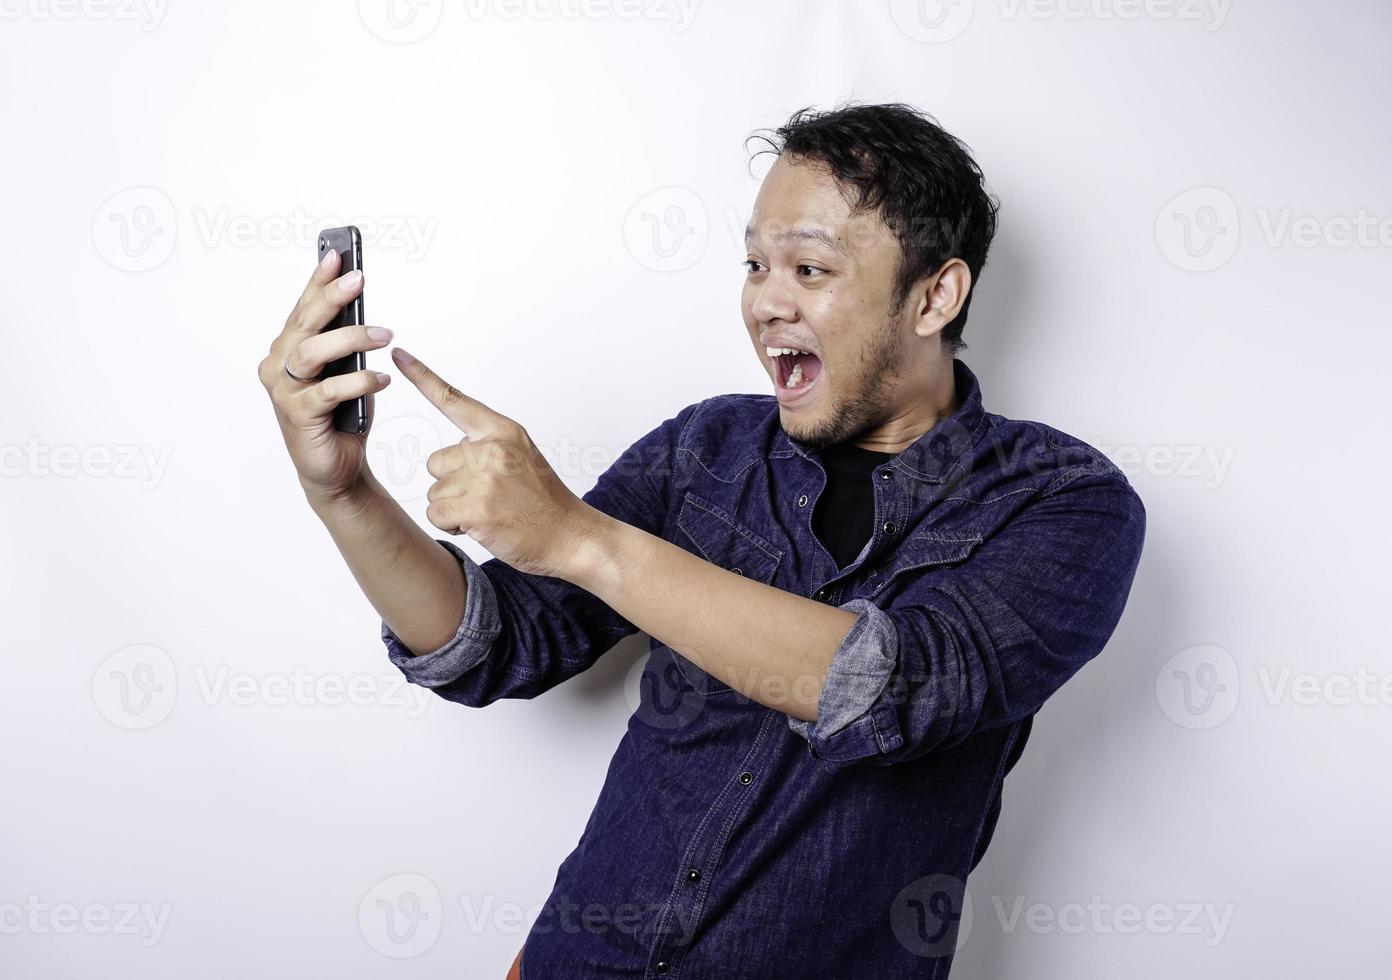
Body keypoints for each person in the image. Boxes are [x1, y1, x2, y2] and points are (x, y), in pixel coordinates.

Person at [258, 101, 1146, 978]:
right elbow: (500, 645)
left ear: (935, 295)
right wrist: (343, 493)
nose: (767, 301)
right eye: (756, 263)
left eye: (810, 268)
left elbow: (899, 692)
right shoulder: (705, 448)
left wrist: (583, 538)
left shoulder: (1064, 500)